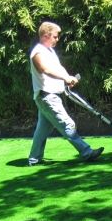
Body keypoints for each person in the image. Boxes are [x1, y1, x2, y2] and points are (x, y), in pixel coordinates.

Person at [28, 22, 104, 166]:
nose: (58, 39)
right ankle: (87, 153)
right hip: (46, 96)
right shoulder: (37, 52)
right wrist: (65, 78)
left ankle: (34, 159)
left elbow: (59, 68)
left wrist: (68, 77)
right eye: (55, 37)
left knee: (43, 130)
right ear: (46, 36)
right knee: (67, 124)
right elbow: (45, 69)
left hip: (51, 96)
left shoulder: (50, 51)